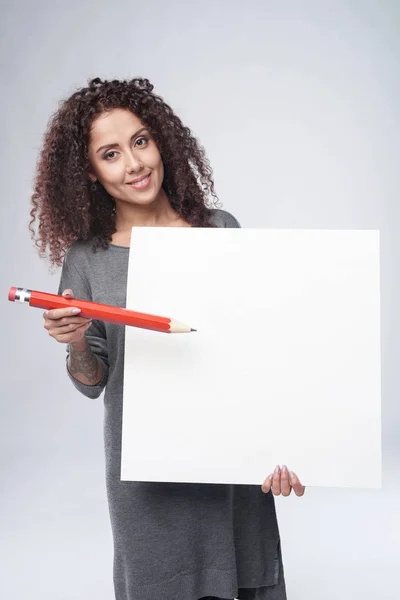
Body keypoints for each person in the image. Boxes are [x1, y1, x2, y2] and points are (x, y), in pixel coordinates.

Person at [29, 77, 305, 600]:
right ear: (90, 172)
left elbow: (262, 355)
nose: (133, 164)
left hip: (231, 470)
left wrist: (285, 447)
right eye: (110, 154)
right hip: (148, 485)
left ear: (160, 141)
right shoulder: (87, 260)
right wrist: (76, 340)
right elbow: (93, 383)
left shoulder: (220, 231)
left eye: (139, 141)